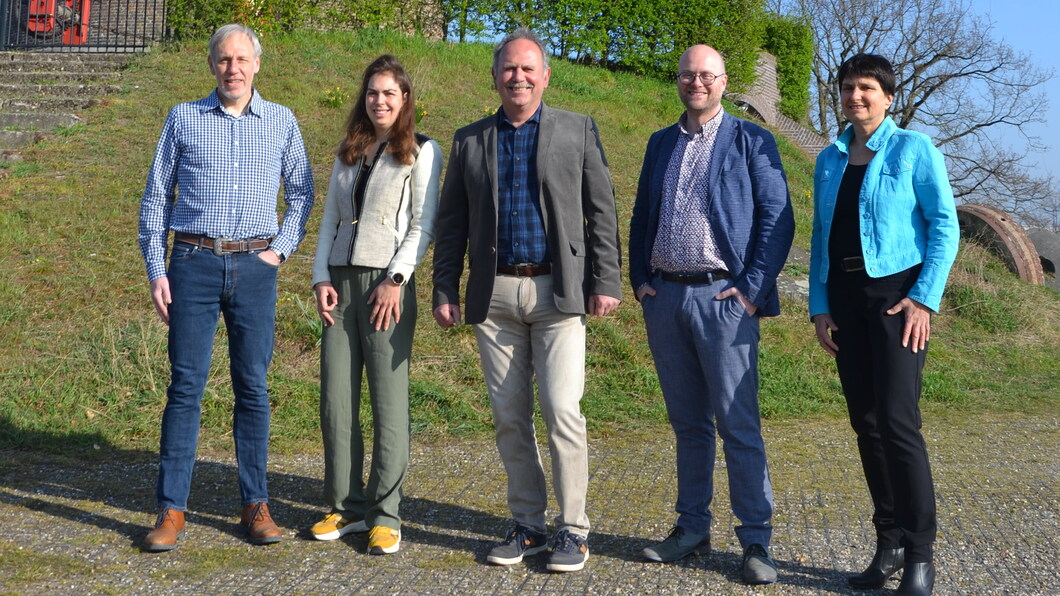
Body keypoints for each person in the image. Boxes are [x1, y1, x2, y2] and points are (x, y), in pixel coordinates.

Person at [431, 27, 622, 573]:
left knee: (562, 410)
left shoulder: (576, 129)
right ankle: (529, 525)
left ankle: (574, 530)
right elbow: (452, 225)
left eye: (527, 68)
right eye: (508, 69)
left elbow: (601, 211)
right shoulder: (470, 141)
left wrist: (605, 280)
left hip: (558, 293)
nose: (518, 77)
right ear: (495, 77)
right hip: (495, 298)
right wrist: (446, 287)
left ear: (545, 75)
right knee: (510, 417)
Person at [137, 23, 315, 552]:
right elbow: (154, 199)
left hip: (255, 267)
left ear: (257, 64)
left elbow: (302, 193)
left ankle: (255, 504)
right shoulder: (183, 118)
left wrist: (278, 251)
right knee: (185, 386)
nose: (232, 68)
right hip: (192, 262)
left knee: (253, 388)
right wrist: (156, 269)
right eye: (223, 59)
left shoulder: (282, 121)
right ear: (211, 65)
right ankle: (171, 509)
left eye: (242, 59)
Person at [628, 45, 794, 585]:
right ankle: (692, 528)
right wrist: (640, 280)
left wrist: (751, 289)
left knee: (737, 424)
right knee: (688, 425)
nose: (695, 83)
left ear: (723, 82)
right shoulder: (660, 143)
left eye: (707, 75)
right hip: (666, 299)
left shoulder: (750, 140)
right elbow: (641, 215)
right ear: (677, 81)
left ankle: (755, 542)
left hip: (725, 300)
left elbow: (778, 216)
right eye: (687, 75)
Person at [809, 53, 958, 596]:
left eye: (867, 88)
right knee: (866, 425)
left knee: (898, 424)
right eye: (848, 88)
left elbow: (944, 225)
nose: (856, 96)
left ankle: (920, 553)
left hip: (898, 298)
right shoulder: (829, 158)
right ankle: (888, 542)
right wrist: (819, 306)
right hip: (844, 301)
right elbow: (822, 236)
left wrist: (924, 299)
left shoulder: (915, 149)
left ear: (887, 96)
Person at [308, 54, 442, 556]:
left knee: (388, 401)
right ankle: (346, 506)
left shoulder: (422, 151)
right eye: (371, 92)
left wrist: (396, 279)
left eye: (389, 92)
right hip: (340, 287)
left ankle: (386, 514)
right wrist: (321, 276)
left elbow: (422, 225)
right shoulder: (350, 150)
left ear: (405, 99)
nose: (379, 100)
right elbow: (329, 222)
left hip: (387, 286)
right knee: (335, 400)